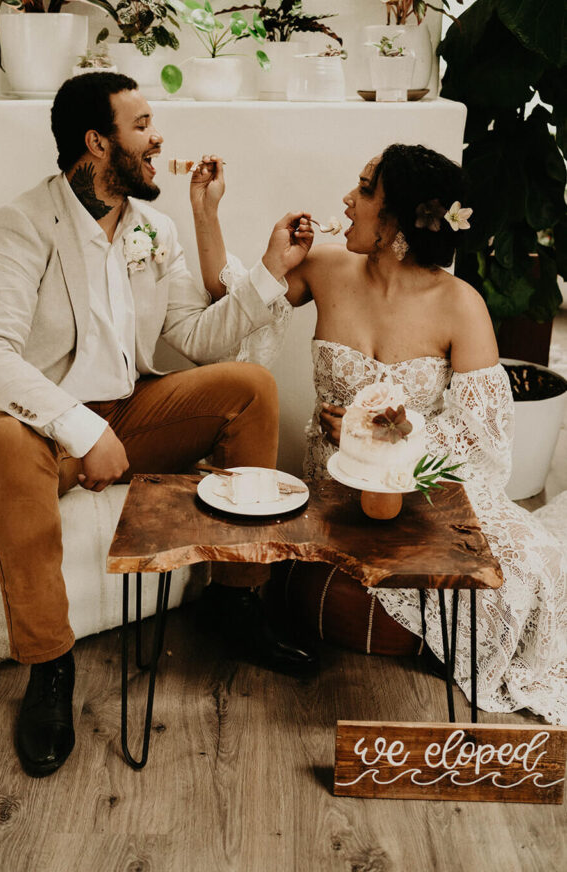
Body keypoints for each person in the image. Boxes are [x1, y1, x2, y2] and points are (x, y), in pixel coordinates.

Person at [0, 71, 317, 778]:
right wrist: (78, 428)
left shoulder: (153, 230)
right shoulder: (21, 223)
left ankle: (236, 605)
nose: (158, 136)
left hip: (125, 412)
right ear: (96, 143)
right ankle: (48, 670)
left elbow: (193, 338)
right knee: (9, 443)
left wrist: (267, 270)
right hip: (27, 426)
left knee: (248, 387)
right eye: (141, 126)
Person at [200, 142, 567, 725]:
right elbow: (230, 308)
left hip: (418, 486)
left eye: (366, 190)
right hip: (336, 486)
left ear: (399, 222)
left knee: (538, 566)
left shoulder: (461, 305)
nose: (347, 199)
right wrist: (207, 211)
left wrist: (384, 432)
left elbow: (483, 437)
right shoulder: (322, 265)